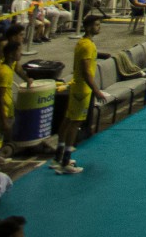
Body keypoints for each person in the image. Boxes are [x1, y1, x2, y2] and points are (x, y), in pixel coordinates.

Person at [55, 16, 108, 174]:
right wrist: (97, 90)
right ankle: (65, 162)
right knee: (74, 124)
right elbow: (86, 71)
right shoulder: (86, 46)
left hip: (77, 87)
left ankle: (58, 156)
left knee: (68, 120)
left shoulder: (83, 43)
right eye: (96, 25)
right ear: (89, 27)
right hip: (82, 90)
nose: (99, 27)